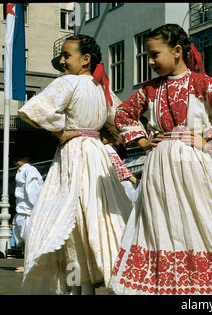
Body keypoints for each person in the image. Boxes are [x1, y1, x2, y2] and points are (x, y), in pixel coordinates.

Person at [109, 24, 212, 295]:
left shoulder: (202, 83)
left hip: (194, 162)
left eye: (155, 54)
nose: (150, 61)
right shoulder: (150, 89)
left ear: (177, 51)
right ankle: (167, 286)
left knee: (206, 216)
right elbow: (122, 114)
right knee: (161, 221)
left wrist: (208, 141)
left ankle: (207, 285)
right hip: (160, 164)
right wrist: (143, 140)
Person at [18, 35, 132, 295]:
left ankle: (78, 288)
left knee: (71, 218)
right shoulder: (102, 88)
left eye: (67, 55)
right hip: (98, 154)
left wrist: (59, 131)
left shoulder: (68, 82)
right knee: (97, 214)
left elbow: (33, 109)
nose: (62, 61)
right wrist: (112, 136)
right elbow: (121, 122)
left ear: (85, 59)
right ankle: (102, 274)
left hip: (75, 153)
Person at [11, 155, 44, 273]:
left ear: (26, 159)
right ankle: (27, 263)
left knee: (29, 238)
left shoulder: (30, 170)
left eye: (17, 159)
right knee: (20, 237)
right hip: (21, 209)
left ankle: (31, 265)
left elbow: (33, 191)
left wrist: (37, 207)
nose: (15, 162)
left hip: (29, 210)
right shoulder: (21, 171)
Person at [100, 126, 139, 203]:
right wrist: (135, 181)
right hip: (119, 182)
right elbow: (119, 167)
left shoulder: (109, 148)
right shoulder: (107, 148)